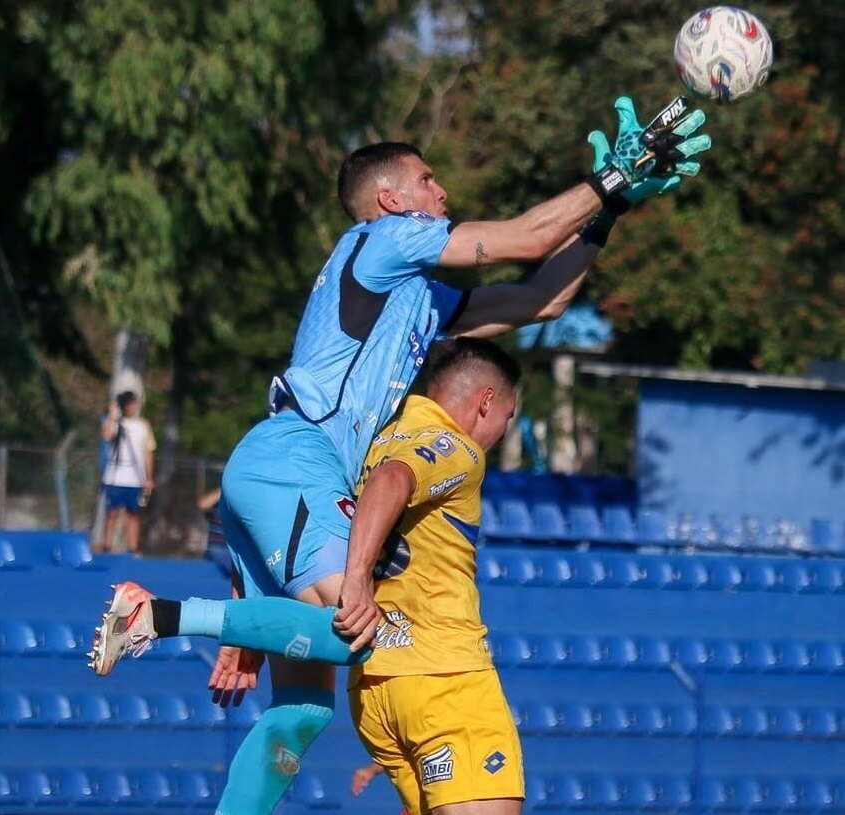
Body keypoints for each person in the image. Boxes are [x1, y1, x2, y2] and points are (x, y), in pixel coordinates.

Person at [88, 97, 711, 813]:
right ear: (389, 199)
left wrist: (611, 208)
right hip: (296, 460)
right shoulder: (383, 241)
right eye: (427, 180)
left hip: (280, 475)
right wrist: (608, 176)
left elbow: (539, 300)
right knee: (357, 635)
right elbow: (528, 239)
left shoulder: (414, 292)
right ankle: (158, 616)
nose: (441, 192)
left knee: (302, 713)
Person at [345, 339, 523, 815]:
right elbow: (393, 480)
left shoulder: (378, 439)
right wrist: (357, 578)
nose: (504, 430)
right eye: (507, 416)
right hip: (443, 676)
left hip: (376, 688)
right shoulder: (457, 449)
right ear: (486, 401)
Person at [99, 391, 157, 554]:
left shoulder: (143, 426)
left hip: (135, 477)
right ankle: (107, 546)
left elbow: (148, 452)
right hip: (115, 477)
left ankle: (133, 548)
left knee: (134, 513)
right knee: (112, 512)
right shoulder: (116, 423)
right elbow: (106, 436)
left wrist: (149, 477)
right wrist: (112, 415)